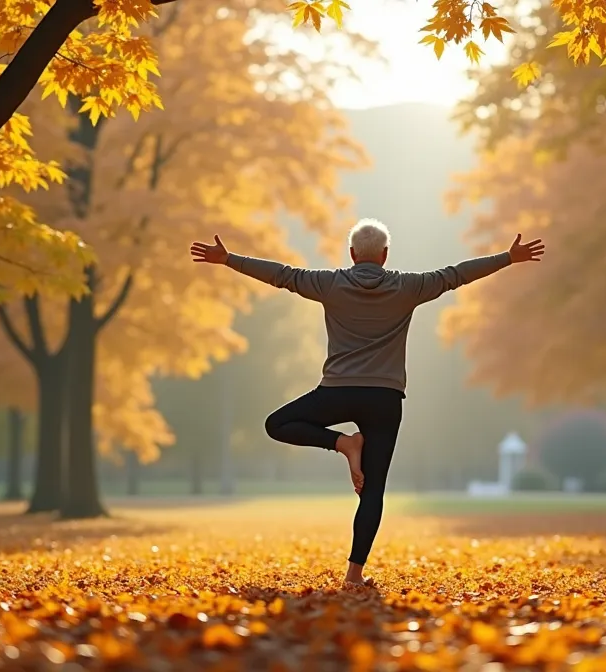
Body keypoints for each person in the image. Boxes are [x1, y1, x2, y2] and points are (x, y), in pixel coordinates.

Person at [189, 219, 544, 585]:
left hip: (337, 392)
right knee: (373, 490)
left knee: (276, 424)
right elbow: (457, 275)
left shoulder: (330, 283)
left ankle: (342, 443)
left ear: (353, 254)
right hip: (385, 399)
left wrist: (229, 259)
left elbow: (281, 275)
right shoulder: (409, 286)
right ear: (385, 256)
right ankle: (353, 574)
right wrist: (508, 257)